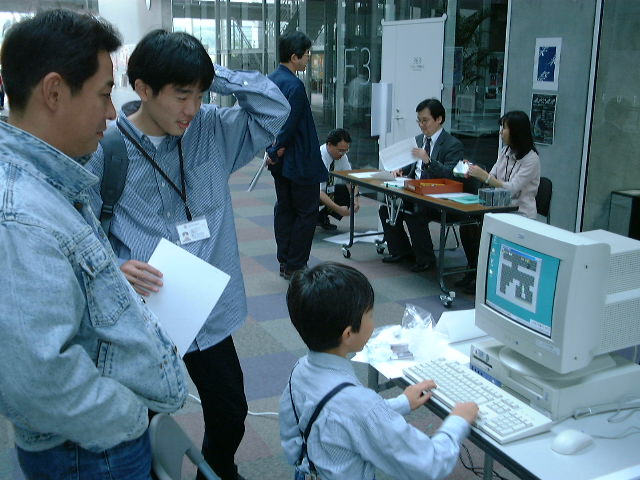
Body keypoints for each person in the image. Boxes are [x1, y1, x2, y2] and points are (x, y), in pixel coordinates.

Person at [85, 29, 289, 480]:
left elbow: (275, 109)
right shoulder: (106, 149)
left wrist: (210, 75)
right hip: (145, 309)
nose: (192, 108)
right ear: (143, 88)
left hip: (207, 307)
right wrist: (114, 265)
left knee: (230, 410)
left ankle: (216, 472)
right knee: (140, 415)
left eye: (199, 94)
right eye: (181, 95)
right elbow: (78, 225)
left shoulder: (212, 129)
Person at [0, 10, 187, 480]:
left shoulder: (50, 183)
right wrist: (127, 415)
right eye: (104, 94)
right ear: (54, 92)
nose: (111, 112)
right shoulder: (21, 215)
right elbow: (38, 380)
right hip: (88, 449)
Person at [280, 262, 478, 480]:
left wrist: (402, 403)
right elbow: (430, 464)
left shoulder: (299, 370)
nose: (373, 323)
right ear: (348, 334)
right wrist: (458, 421)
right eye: (370, 315)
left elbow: (337, 421)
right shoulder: (361, 405)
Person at [267, 31, 328, 279]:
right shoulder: (295, 85)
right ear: (294, 57)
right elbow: (291, 124)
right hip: (299, 159)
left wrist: (272, 150)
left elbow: (266, 118)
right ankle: (296, 265)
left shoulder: (270, 80)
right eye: (306, 55)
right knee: (306, 212)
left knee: (285, 209)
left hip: (279, 161)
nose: (308, 59)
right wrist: (278, 147)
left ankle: (285, 261)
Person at [379, 98, 464, 272]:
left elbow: (450, 175)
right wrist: (400, 170)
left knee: (416, 213)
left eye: (425, 120)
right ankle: (401, 251)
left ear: (439, 119)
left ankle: (426, 259)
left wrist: (428, 160)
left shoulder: (452, 144)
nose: (421, 125)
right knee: (386, 208)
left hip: (436, 196)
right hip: (413, 190)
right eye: (419, 120)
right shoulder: (419, 140)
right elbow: (412, 165)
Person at [460, 110, 541, 292]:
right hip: (497, 209)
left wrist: (486, 177)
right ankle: (474, 270)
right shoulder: (505, 151)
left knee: (481, 232)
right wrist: (474, 170)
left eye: (504, 128)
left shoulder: (532, 159)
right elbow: (493, 176)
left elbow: (512, 189)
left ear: (516, 131)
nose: (500, 132)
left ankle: (484, 278)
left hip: (519, 214)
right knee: (468, 226)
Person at [317, 128, 359, 231]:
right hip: (311, 192)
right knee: (312, 197)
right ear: (329, 145)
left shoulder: (342, 156)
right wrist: (338, 209)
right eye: (340, 150)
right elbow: (317, 191)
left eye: (346, 150)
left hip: (328, 190)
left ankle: (321, 217)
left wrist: (355, 199)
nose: (343, 154)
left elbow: (350, 179)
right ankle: (311, 218)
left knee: (349, 192)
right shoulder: (319, 157)